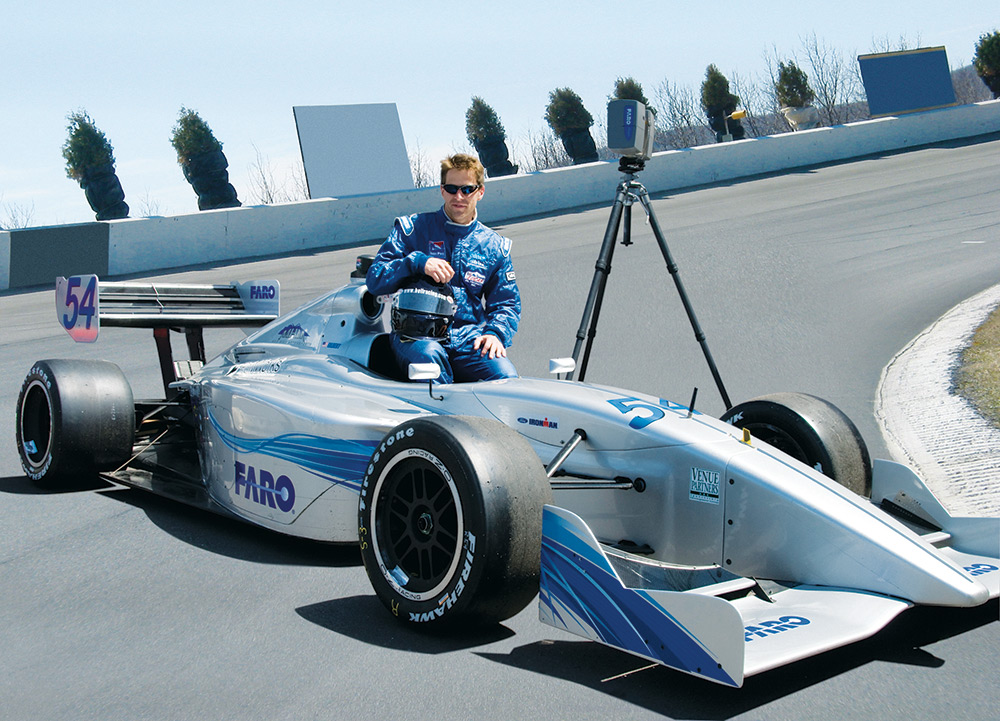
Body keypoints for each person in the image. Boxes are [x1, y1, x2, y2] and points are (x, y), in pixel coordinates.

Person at [366, 153, 520, 383]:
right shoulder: (411, 229)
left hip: (469, 338)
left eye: (467, 189)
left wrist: (496, 333)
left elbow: (507, 303)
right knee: (431, 362)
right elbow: (375, 279)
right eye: (451, 188)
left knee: (505, 376)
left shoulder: (494, 246)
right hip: (416, 335)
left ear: (480, 192)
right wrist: (416, 263)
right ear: (441, 190)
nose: (458, 196)